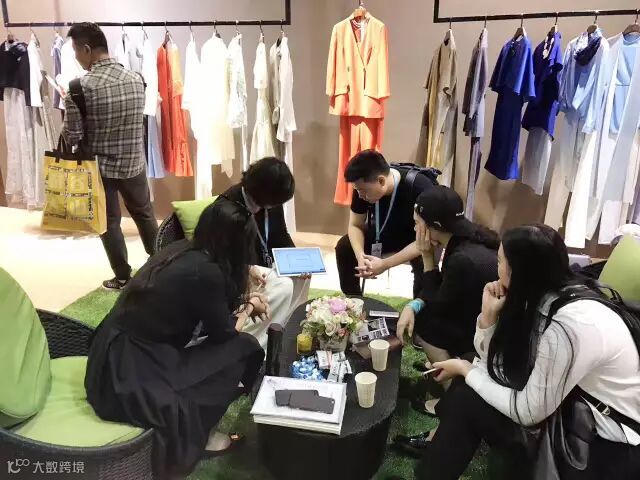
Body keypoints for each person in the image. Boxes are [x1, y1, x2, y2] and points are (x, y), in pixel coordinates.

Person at [412, 225, 640, 479]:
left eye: (499, 261)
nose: (496, 268)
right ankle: (439, 443)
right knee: (469, 369)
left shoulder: (570, 326)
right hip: (570, 410)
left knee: (469, 396)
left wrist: (466, 370)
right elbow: (499, 364)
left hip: (600, 448)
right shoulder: (547, 295)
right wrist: (488, 318)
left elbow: (528, 412)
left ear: (519, 272)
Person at [85, 199, 267, 479]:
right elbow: (225, 335)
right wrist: (251, 306)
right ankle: (202, 433)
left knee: (231, 349)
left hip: (108, 356)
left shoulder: (181, 249)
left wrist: (244, 297)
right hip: (130, 372)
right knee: (244, 348)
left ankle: (201, 425)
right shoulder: (207, 272)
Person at [391, 186, 498, 448]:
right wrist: (415, 303)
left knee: (425, 325)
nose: (414, 228)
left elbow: (435, 302)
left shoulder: (462, 259)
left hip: (491, 338)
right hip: (484, 318)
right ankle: (447, 377)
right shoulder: (466, 238)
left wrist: (427, 258)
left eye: (417, 223)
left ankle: (453, 397)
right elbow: (438, 294)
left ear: (432, 226)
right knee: (423, 314)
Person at [62, 23, 157, 291]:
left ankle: (123, 276)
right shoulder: (137, 79)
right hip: (134, 162)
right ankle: (162, 266)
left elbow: (72, 136)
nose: (76, 57)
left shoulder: (79, 88)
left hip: (99, 168)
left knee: (109, 223)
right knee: (144, 215)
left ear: (87, 49)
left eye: (76, 51)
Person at [220, 156, 310, 347]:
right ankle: (256, 341)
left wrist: (294, 260)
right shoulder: (228, 207)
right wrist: (248, 268)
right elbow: (219, 256)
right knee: (284, 285)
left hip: (263, 263)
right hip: (238, 269)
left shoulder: (267, 200)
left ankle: (282, 325)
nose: (277, 206)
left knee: (301, 276)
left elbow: (280, 234)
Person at [336, 150, 436, 297]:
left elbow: (430, 238)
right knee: (345, 247)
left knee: (425, 259)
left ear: (381, 181)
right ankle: (354, 300)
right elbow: (355, 225)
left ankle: (419, 305)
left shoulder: (420, 187)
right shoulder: (362, 188)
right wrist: (360, 256)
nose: (360, 195)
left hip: (417, 238)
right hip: (383, 233)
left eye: (363, 191)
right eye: (357, 190)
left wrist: (385, 264)